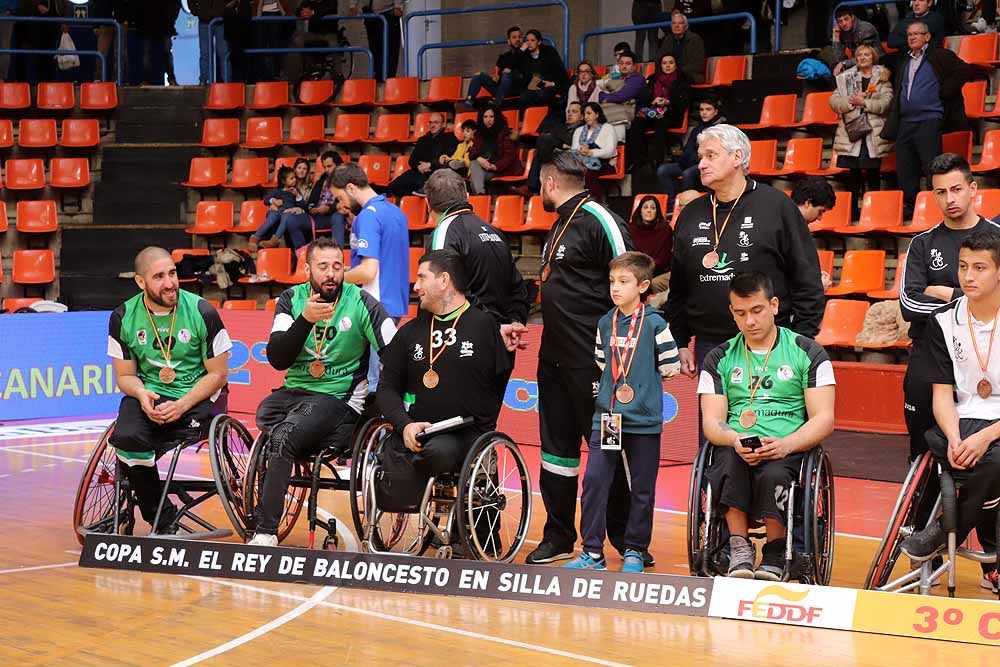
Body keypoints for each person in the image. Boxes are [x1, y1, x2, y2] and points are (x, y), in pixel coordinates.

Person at [527, 151, 639, 566]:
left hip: (597, 365)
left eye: (540, 185)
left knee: (610, 446)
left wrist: (622, 350)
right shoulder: (560, 223)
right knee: (556, 452)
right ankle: (558, 535)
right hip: (554, 361)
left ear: (550, 182)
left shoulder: (600, 220)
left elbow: (633, 280)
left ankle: (627, 538)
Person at [247, 237, 396, 546]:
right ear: (308, 270)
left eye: (337, 267)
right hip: (294, 394)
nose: (331, 274)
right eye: (323, 266)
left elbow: (394, 354)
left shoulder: (361, 302)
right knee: (266, 412)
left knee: (283, 435)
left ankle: (265, 532)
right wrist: (305, 320)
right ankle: (296, 439)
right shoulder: (291, 299)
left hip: (338, 398)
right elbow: (277, 358)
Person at [898, 153, 1000, 587]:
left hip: (988, 361)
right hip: (934, 357)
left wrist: (948, 292)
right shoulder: (924, 243)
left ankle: (991, 559)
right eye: (940, 192)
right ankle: (924, 554)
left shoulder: (996, 237)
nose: (949, 198)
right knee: (927, 456)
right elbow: (909, 304)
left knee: (988, 460)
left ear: (973, 189)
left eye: (956, 189)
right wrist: (965, 300)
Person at [699, 271, 835, 579]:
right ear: (732, 313)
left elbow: (824, 418)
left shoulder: (808, 352)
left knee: (775, 472)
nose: (750, 321)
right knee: (726, 462)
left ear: (774, 305)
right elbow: (712, 421)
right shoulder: (719, 358)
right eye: (741, 313)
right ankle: (739, 547)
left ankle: (775, 550)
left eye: (757, 310)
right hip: (739, 444)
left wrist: (787, 444)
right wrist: (734, 439)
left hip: (787, 445)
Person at [665, 124, 825, 384]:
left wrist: (800, 341)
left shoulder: (777, 206)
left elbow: (806, 277)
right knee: (713, 413)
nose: (701, 164)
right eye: (701, 156)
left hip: (771, 343)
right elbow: (679, 287)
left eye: (711, 155)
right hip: (710, 345)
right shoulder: (690, 214)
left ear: (737, 157)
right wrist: (680, 340)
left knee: (768, 412)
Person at [375, 250, 514, 548]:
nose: (415, 286)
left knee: (438, 452)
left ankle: (464, 529)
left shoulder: (483, 326)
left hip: (463, 432)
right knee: (388, 452)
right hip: (415, 431)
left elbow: (499, 380)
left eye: (421, 277)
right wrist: (404, 424)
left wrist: (483, 428)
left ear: (444, 280)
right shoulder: (410, 331)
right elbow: (386, 387)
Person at [564, 251, 681, 572]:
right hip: (609, 418)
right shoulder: (606, 323)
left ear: (643, 286)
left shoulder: (655, 324)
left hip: (643, 421)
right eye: (612, 281)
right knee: (595, 481)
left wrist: (641, 384)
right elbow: (602, 362)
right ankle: (592, 552)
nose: (615, 288)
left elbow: (670, 366)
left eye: (624, 282)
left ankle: (635, 550)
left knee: (642, 487)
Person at [106, 247, 232, 533]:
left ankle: (157, 514)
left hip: (198, 395)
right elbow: (125, 376)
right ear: (140, 282)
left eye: (172, 273)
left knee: (147, 439)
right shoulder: (123, 316)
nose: (170, 283)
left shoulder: (202, 311)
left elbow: (218, 374)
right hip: (151, 395)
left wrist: (182, 404)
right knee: (127, 437)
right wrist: (141, 394)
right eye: (159, 276)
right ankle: (162, 519)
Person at [424, 169, 530, 340]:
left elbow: (445, 291)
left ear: (427, 203)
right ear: (467, 197)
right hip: (501, 338)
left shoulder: (444, 233)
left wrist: (494, 328)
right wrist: (515, 321)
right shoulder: (495, 232)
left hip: (465, 340)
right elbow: (518, 287)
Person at [881, 19, 971, 218]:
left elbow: (964, 70)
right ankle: (911, 207)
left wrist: (944, 91)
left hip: (929, 118)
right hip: (905, 121)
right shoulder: (904, 60)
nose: (912, 37)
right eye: (909, 34)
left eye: (916, 34)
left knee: (931, 166)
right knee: (905, 168)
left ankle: (934, 208)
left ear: (927, 37)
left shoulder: (939, 55)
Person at [331, 163, 410, 325]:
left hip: (375, 304)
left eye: (340, 198)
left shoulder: (368, 216)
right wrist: (352, 270)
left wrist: (335, 279)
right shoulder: (396, 212)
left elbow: (367, 272)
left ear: (351, 188)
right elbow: (385, 259)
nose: (342, 205)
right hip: (394, 304)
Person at [829, 43, 894, 219]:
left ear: (873, 57)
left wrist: (864, 103)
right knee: (853, 176)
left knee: (873, 175)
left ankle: (874, 213)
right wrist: (851, 102)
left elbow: (886, 103)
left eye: (866, 54)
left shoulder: (882, 78)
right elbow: (834, 101)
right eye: (859, 55)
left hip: (872, 135)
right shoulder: (846, 77)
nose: (862, 57)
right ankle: (852, 214)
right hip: (852, 134)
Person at [626, 53, 691, 173]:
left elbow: (684, 101)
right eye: (664, 63)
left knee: (660, 122)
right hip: (652, 111)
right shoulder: (652, 79)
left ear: (676, 65)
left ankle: (657, 160)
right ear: (660, 65)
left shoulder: (682, 79)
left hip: (671, 112)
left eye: (671, 63)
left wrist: (668, 102)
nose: (668, 66)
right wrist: (653, 101)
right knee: (637, 122)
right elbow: (643, 99)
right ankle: (637, 161)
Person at [656, 95, 726, 201]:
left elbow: (711, 153)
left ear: (715, 112)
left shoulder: (719, 130)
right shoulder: (697, 129)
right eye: (701, 110)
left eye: (708, 109)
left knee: (687, 173)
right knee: (663, 170)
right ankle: (672, 204)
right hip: (689, 162)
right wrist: (685, 158)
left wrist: (691, 158)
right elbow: (688, 149)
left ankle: (688, 204)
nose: (704, 113)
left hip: (707, 164)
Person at [520, 100, 584, 196]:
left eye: (574, 112)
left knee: (543, 144)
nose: (570, 114)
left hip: (571, 157)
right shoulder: (560, 127)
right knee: (540, 147)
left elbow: (572, 143)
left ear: (582, 116)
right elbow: (556, 140)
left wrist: (559, 142)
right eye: (568, 111)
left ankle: (533, 188)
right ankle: (537, 189)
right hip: (555, 153)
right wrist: (561, 144)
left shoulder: (583, 130)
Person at [386, 113, 458, 198]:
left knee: (422, 186)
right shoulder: (422, 140)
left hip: (435, 172)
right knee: (393, 187)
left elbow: (448, 159)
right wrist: (418, 166)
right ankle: (411, 199)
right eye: (430, 122)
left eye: (436, 122)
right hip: (418, 171)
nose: (432, 125)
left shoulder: (450, 139)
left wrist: (430, 165)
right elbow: (412, 160)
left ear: (443, 124)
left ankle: (418, 200)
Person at [464, 26, 526, 108]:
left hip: (517, 89)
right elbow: (498, 69)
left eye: (520, 37)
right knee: (478, 76)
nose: (518, 39)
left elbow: (515, 64)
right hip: (501, 89)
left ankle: (497, 102)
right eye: (514, 37)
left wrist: (522, 50)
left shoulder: (527, 55)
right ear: (509, 41)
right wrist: (496, 76)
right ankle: (469, 102)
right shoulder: (504, 56)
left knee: (507, 73)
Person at [285, 0, 340, 92]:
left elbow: (328, 8)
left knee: (334, 44)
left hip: (328, 33)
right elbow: (299, 9)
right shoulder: (309, 2)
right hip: (313, 34)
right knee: (297, 41)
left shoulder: (331, 1)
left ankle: (339, 76)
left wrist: (312, 12)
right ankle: (293, 80)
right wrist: (302, 12)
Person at [571, 102, 619, 203]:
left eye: (589, 113)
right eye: (584, 114)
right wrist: (581, 151)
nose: (586, 117)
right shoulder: (579, 130)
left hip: (605, 164)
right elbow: (574, 150)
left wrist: (591, 153)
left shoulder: (608, 128)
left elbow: (610, 151)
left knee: (588, 173)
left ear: (597, 114)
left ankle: (596, 203)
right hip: (582, 163)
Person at [468, 107, 522, 195]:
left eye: (491, 117)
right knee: (474, 164)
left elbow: (509, 157)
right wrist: (479, 158)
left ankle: (480, 197)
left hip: (502, 170)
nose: (488, 120)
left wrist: (495, 166)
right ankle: (481, 194)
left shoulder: (505, 133)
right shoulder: (479, 134)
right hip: (486, 169)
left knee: (474, 177)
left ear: (496, 118)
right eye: (485, 117)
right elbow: (471, 153)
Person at [249, 166, 304, 251]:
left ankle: (274, 241)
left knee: (286, 217)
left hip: (287, 213)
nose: (295, 180)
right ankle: (254, 238)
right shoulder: (276, 191)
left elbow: (302, 205)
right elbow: (266, 200)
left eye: (295, 178)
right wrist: (273, 200)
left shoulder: (295, 191)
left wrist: (297, 195)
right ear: (283, 181)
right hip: (276, 211)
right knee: (271, 218)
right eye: (291, 178)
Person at [628, 195, 673, 299]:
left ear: (657, 211)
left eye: (653, 208)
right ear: (640, 211)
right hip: (633, 270)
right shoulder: (630, 229)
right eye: (645, 207)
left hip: (655, 272)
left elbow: (663, 260)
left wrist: (644, 269)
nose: (649, 211)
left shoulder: (665, 230)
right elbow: (628, 254)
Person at [597, 50, 645, 140]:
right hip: (614, 109)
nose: (624, 66)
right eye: (621, 63)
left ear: (634, 66)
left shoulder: (637, 78)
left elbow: (622, 96)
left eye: (628, 63)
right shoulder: (615, 77)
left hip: (633, 114)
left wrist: (602, 96)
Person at [351, 0, 403, 81]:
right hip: (371, 14)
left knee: (391, 51)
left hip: (388, 12)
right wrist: (353, 5)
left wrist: (398, 6)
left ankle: (388, 79)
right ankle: (379, 79)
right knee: (375, 51)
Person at [519, 29, 568, 107]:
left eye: (532, 40)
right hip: (534, 84)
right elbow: (516, 67)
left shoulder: (549, 51)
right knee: (523, 97)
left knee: (542, 95)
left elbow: (560, 71)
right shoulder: (524, 55)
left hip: (551, 83)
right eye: (527, 40)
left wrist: (552, 83)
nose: (529, 43)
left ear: (539, 42)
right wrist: (521, 50)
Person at [829, 6, 884, 75]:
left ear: (852, 17)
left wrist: (844, 63)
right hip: (859, 63)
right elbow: (839, 59)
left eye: (846, 19)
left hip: (876, 62)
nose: (844, 24)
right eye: (840, 21)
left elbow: (866, 56)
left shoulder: (865, 29)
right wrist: (836, 38)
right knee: (834, 67)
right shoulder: (842, 32)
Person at [306, 151, 345, 244]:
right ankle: (300, 250)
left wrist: (329, 208)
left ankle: (338, 250)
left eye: (329, 166)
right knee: (291, 220)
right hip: (316, 217)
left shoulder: (345, 180)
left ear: (338, 165)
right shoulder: (321, 180)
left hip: (333, 215)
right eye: (325, 167)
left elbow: (346, 203)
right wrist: (311, 208)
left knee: (338, 217)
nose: (327, 170)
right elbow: (311, 201)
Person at [657, 11, 706, 84]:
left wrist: (678, 71)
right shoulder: (668, 40)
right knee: (653, 80)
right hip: (670, 75)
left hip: (690, 75)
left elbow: (698, 65)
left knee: (676, 82)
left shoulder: (695, 39)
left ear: (686, 27)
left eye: (680, 23)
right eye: (674, 23)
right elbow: (659, 60)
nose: (676, 26)